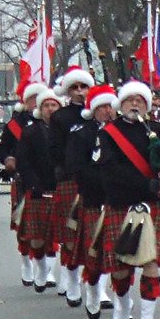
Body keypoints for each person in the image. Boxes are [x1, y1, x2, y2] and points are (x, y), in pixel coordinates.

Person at [97, 81, 160, 319]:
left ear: (146, 105)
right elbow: (111, 170)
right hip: (122, 204)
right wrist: (143, 183)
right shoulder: (108, 134)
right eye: (129, 100)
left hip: (152, 206)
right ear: (120, 104)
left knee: (151, 263)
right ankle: (122, 307)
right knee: (122, 268)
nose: (135, 104)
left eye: (140, 100)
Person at [68, 84, 118, 319]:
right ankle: (93, 289)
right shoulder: (82, 134)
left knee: (116, 252)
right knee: (95, 251)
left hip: (118, 199)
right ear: (94, 110)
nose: (108, 111)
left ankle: (116, 299)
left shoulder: (121, 133)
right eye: (103, 107)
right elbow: (77, 168)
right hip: (94, 199)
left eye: (111, 106)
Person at [0, 81, 46, 286]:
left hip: (46, 180)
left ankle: (44, 266)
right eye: (33, 98)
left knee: (47, 226)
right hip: (23, 180)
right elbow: (0, 149)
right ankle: (26, 261)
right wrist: (7, 159)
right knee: (24, 226)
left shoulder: (52, 124)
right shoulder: (14, 125)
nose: (36, 103)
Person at [49, 66, 95, 297]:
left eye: (84, 86)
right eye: (75, 87)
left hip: (96, 180)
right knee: (70, 233)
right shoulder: (60, 117)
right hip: (70, 179)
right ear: (68, 91)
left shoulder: (98, 114)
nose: (80, 91)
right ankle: (71, 276)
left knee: (94, 234)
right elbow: (55, 151)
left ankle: (96, 285)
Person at [16, 89, 64, 293]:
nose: (50, 109)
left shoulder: (67, 131)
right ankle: (41, 269)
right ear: (40, 109)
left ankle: (51, 274)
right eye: (47, 105)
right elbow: (24, 162)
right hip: (37, 188)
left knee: (57, 236)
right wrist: (33, 184)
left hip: (61, 187)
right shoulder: (30, 132)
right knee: (36, 237)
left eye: (54, 105)